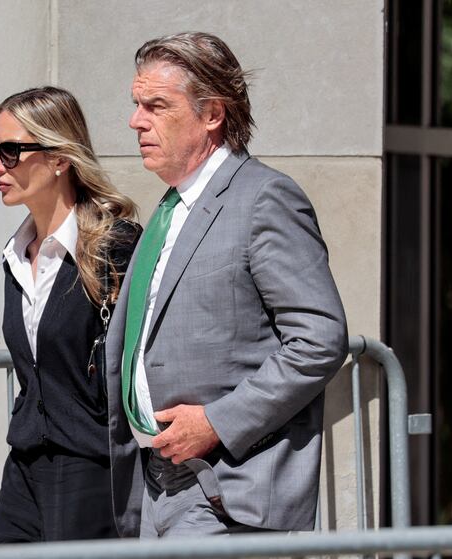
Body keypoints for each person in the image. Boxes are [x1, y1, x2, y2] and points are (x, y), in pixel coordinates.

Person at [105, 32, 348, 538]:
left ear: (212, 114)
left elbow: (320, 338)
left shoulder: (265, 199)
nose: (136, 121)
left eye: (156, 105)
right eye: (136, 105)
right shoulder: (169, 210)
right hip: (155, 489)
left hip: (225, 490)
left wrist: (218, 421)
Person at [0, 86, 140, 543]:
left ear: (59, 158)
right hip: (26, 463)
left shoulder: (115, 247)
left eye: (10, 151)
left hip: (91, 466)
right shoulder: (15, 253)